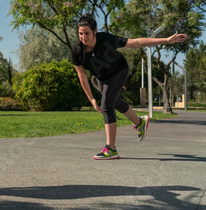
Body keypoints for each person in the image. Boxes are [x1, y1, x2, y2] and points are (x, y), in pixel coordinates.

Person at [71, 14, 187, 160]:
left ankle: (111, 149)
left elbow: (136, 43)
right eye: (80, 33)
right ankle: (140, 122)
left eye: (86, 33)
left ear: (95, 32)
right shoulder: (77, 51)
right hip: (102, 77)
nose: (83, 37)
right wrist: (91, 98)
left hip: (119, 70)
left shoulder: (106, 39)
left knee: (107, 105)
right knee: (115, 102)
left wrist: (166, 40)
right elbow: (82, 75)